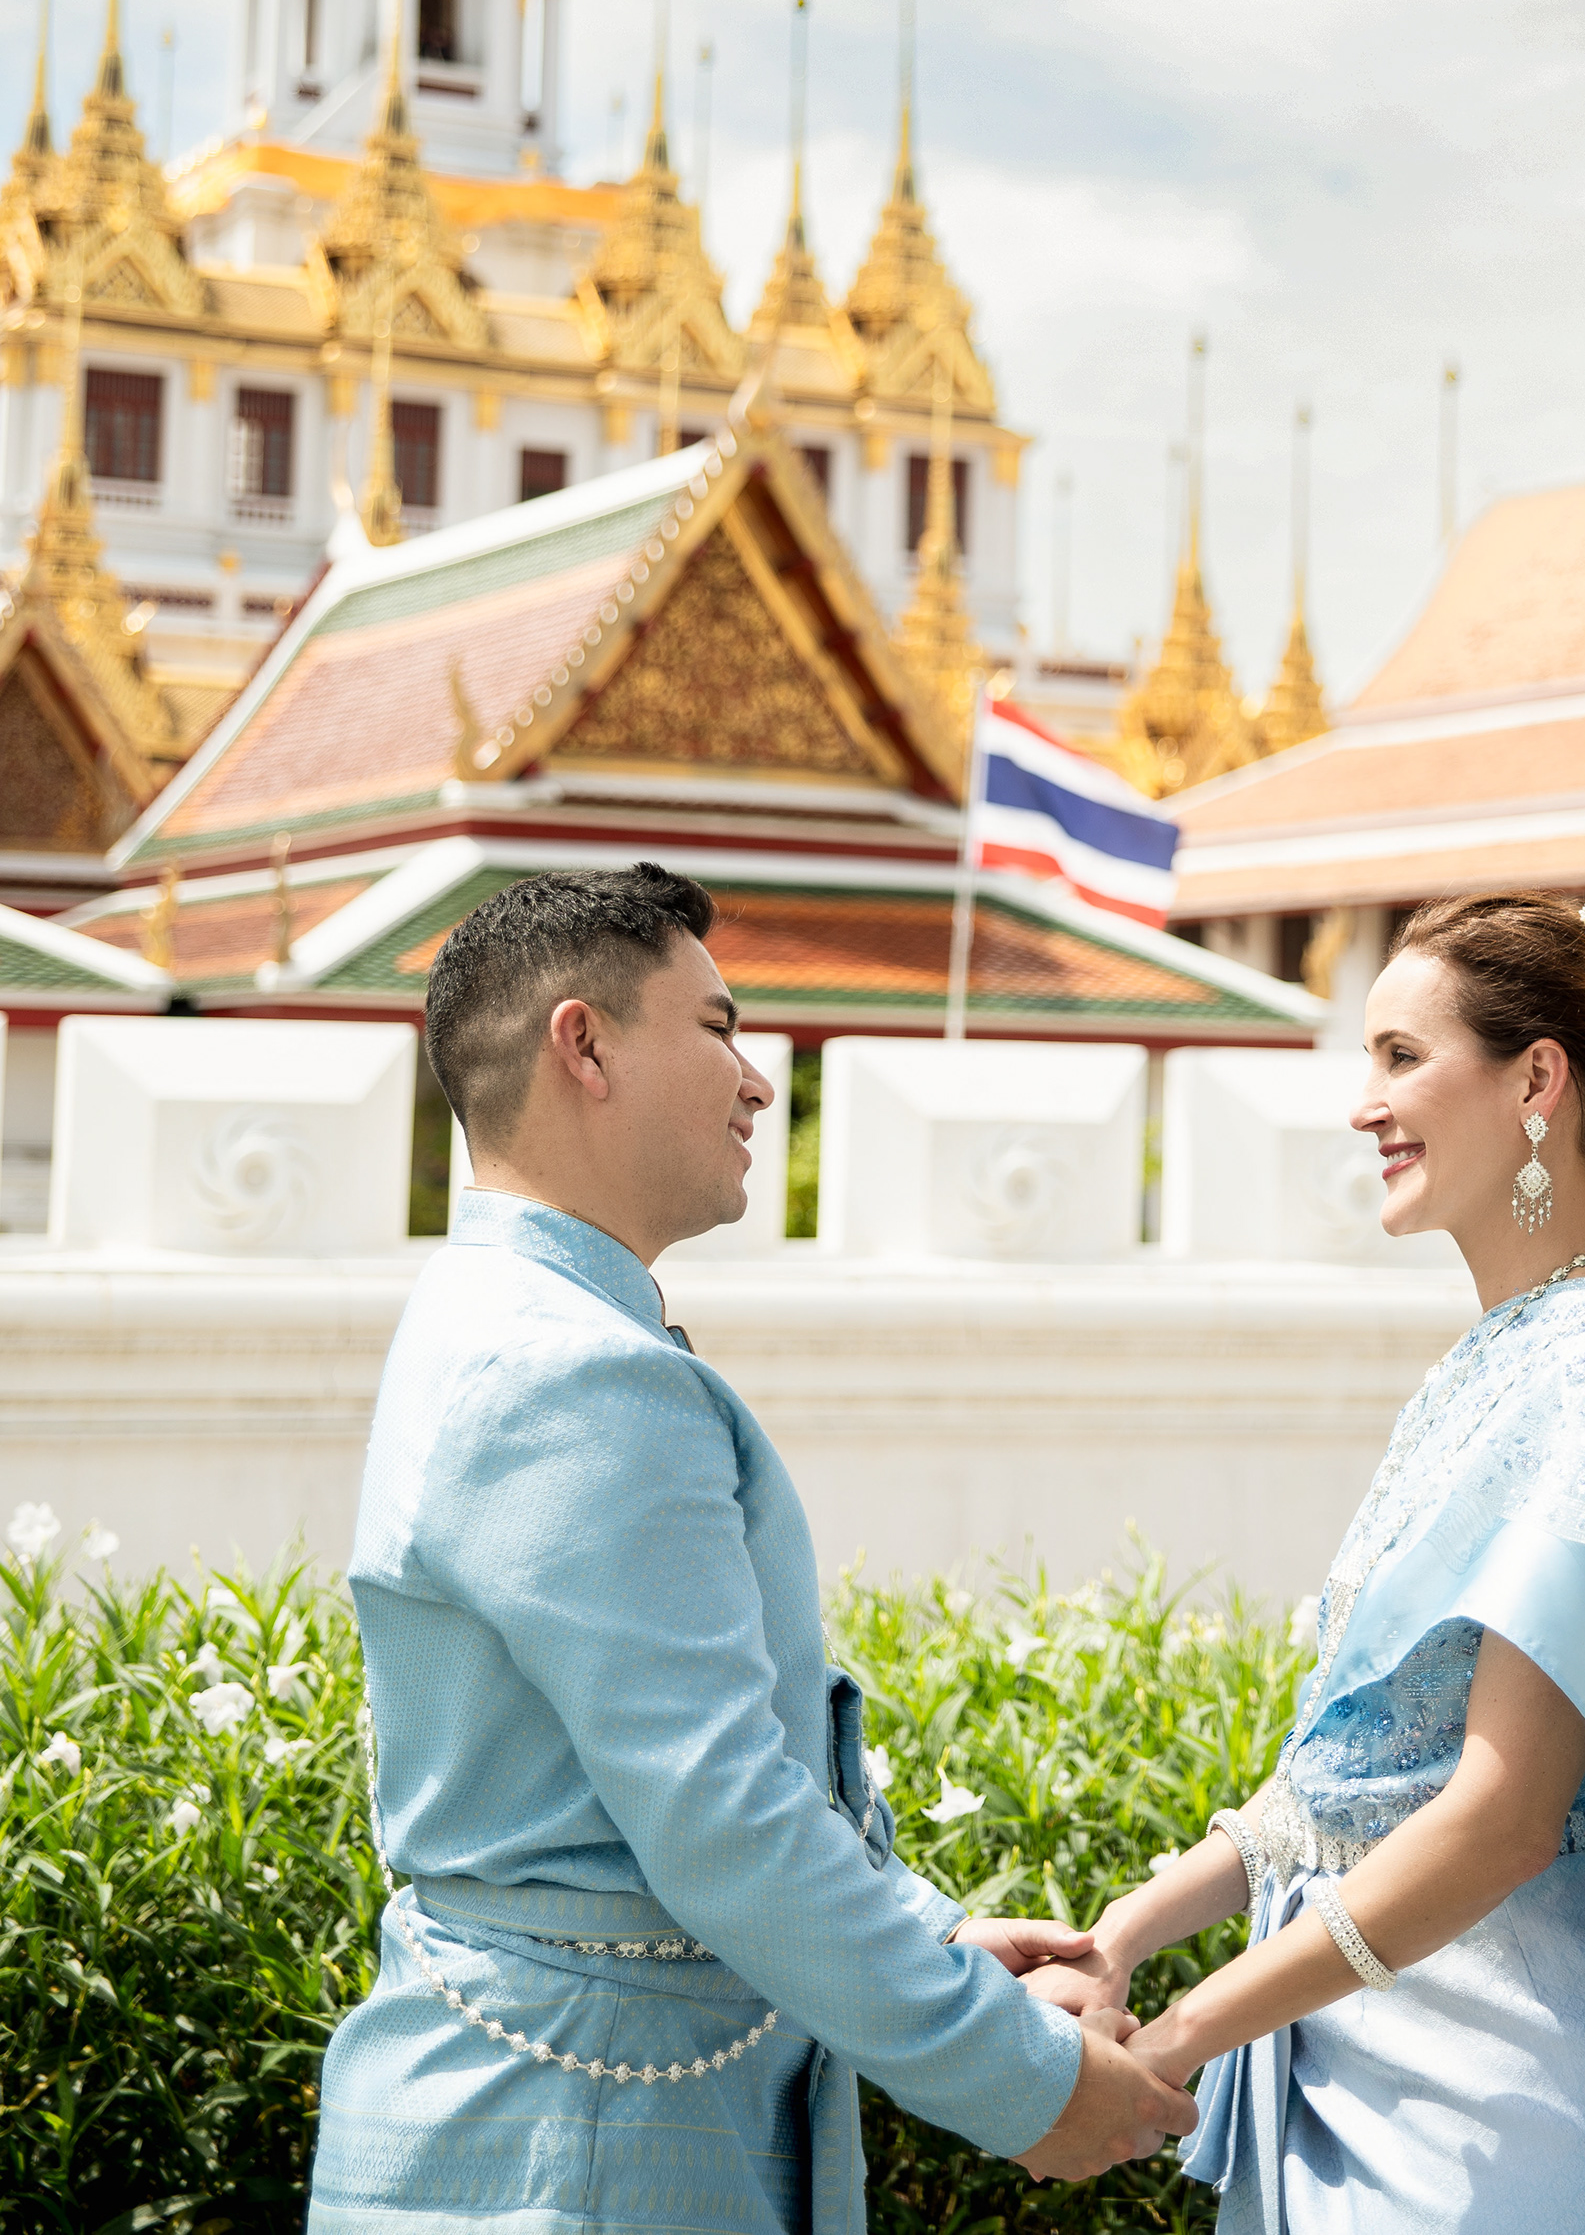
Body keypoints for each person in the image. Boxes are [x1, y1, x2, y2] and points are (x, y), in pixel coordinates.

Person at [309, 866, 1195, 2235]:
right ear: (583, 1043)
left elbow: (685, 1788)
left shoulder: (513, 1317)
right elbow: (722, 1814)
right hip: (587, 2149)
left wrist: (932, 1941)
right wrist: (1022, 2076)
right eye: (718, 1026)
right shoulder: (569, 1368)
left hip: (584, 2104)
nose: (757, 1080)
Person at [1028, 892, 1585, 2235]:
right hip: (1375, 2064)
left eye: (1402, 1054)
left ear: (1538, 1080)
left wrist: (1180, 2035)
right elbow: (1352, 1779)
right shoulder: (1489, 1365)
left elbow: (1501, 1815)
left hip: (1484, 2117)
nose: (1363, 1102)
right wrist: (1122, 1931)